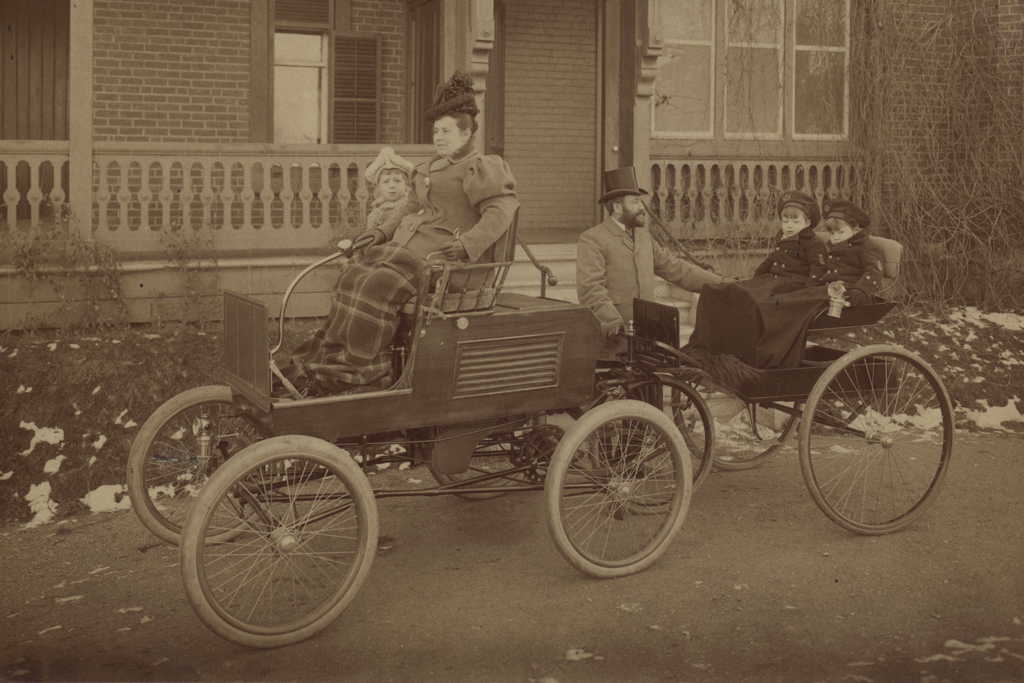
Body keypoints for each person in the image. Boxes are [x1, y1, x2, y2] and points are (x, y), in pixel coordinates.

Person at [280, 72, 518, 397]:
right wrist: (379, 232)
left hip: (448, 264)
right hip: (411, 253)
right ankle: (327, 362)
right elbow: (408, 206)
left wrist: (467, 245)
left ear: (467, 132)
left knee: (376, 285)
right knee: (352, 275)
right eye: (436, 131)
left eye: (446, 131)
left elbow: (501, 211)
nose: (438, 137)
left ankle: (363, 374)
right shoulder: (434, 167)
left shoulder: (481, 167)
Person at [686, 196, 884, 373]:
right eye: (832, 232)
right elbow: (816, 268)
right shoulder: (829, 245)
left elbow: (872, 272)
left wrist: (860, 291)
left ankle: (766, 355)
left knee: (781, 304)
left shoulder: (864, 247)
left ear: (856, 229)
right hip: (824, 288)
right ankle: (720, 348)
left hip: (840, 292)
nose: (835, 236)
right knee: (760, 298)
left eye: (840, 232)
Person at [576, 166, 730, 356]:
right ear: (617, 207)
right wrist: (613, 323)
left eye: (640, 201)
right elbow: (590, 289)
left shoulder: (643, 237)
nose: (642, 208)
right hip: (614, 340)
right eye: (635, 202)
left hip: (648, 335)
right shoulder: (592, 239)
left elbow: (676, 269)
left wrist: (722, 284)